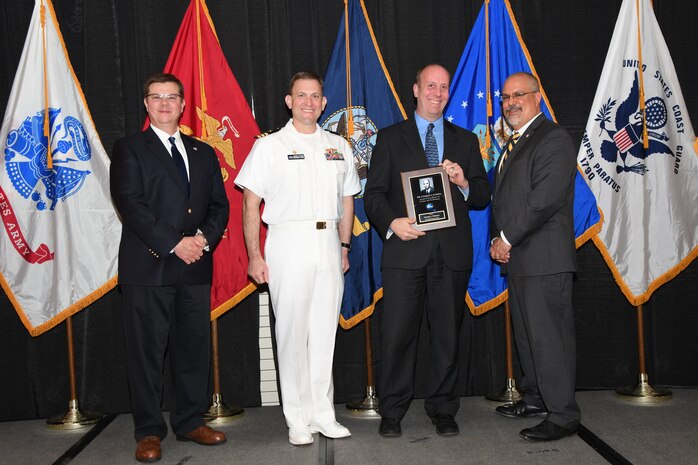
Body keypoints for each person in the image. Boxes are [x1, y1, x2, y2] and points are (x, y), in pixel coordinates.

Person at [364, 64, 490, 438]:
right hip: (405, 252)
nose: (437, 92)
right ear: (416, 90)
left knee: (447, 336)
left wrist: (463, 181)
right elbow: (373, 197)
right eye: (430, 85)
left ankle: (443, 407)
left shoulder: (465, 140)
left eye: (444, 87)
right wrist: (392, 224)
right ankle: (392, 410)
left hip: (450, 254)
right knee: (398, 334)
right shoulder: (389, 138)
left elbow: (482, 195)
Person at [235, 71, 360, 446]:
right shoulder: (269, 146)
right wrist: (255, 256)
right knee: (291, 334)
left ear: (324, 103)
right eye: (301, 95)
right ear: (289, 101)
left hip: (328, 243)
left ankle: (323, 413)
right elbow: (250, 202)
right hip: (287, 241)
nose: (309, 102)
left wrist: (343, 248)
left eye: (315, 96)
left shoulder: (339, 145)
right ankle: (297, 418)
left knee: (324, 333)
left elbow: (348, 198)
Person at [110, 73, 229, 463]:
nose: (164, 103)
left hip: (195, 266)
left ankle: (190, 420)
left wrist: (203, 241)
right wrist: (175, 243)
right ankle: (148, 431)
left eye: (172, 97)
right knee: (146, 354)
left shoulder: (203, 152)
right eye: (156, 97)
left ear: (182, 104)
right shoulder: (129, 148)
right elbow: (131, 204)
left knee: (193, 349)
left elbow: (218, 206)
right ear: (145, 104)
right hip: (149, 267)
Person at [489, 72, 580, 442]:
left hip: (543, 257)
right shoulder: (516, 141)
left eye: (519, 95)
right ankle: (537, 397)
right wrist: (501, 238)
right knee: (528, 337)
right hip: (523, 258)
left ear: (537, 98)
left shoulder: (553, 137)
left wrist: (506, 239)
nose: (511, 102)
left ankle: (562, 414)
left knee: (549, 338)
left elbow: (544, 200)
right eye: (506, 97)